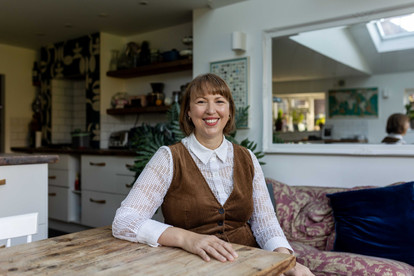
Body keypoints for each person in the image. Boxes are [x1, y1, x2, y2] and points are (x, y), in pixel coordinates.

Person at [112, 73, 313, 276]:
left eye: (219, 101)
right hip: (190, 267)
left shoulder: (247, 157)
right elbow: (125, 220)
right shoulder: (168, 158)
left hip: (249, 263)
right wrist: (188, 239)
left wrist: (285, 260)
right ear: (188, 112)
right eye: (201, 102)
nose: (211, 110)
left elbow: (265, 222)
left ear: (229, 111)